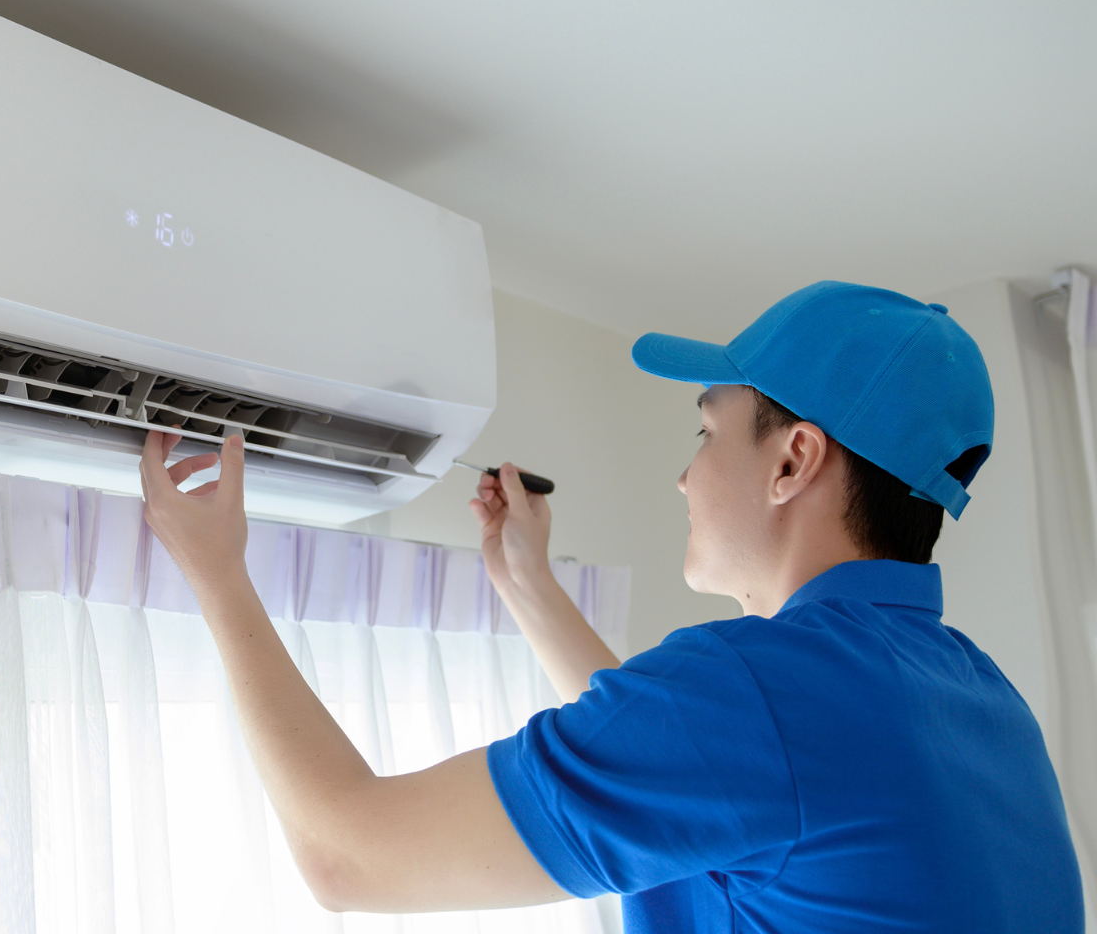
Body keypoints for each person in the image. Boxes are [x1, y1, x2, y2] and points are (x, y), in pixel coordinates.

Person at [138, 281, 1083, 932]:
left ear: (794, 459)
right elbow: (705, 774)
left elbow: (346, 857)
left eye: (706, 430)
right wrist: (529, 585)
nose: (683, 476)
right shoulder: (978, 698)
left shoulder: (757, 693)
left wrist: (219, 576)